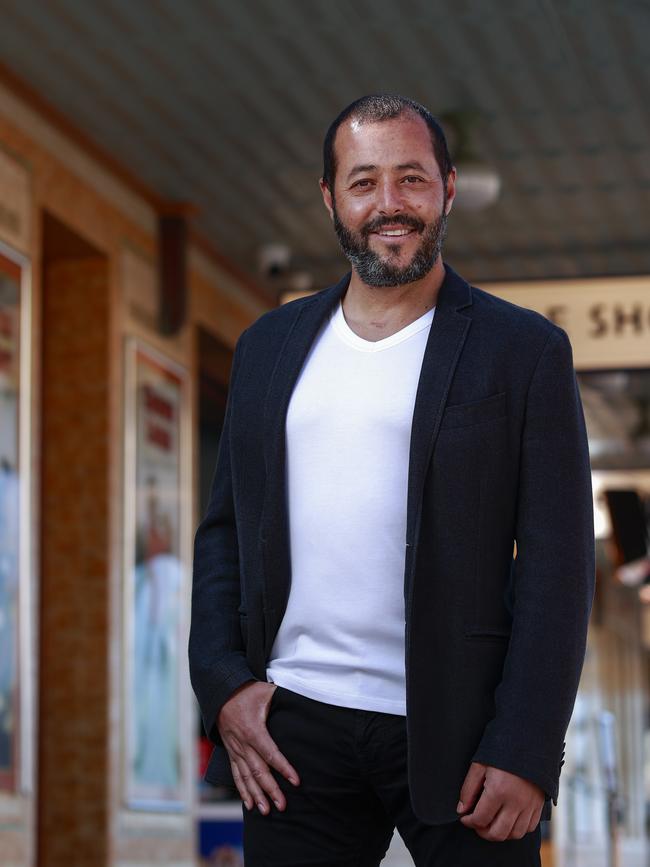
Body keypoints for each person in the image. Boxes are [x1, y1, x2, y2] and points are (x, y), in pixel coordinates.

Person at [189, 94, 595, 866]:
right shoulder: (267, 347)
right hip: (293, 727)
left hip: (468, 732)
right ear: (330, 198)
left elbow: (558, 568)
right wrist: (224, 687)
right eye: (364, 181)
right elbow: (226, 532)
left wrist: (528, 745)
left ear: (446, 187)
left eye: (411, 179)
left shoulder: (524, 351)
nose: (389, 205)